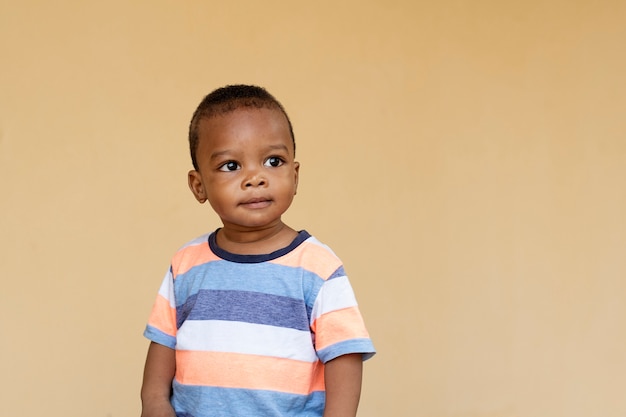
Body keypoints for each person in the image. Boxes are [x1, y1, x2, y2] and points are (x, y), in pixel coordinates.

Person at [140, 84, 376, 417]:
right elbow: (164, 342)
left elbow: (344, 355)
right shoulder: (186, 264)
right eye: (231, 166)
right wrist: (154, 403)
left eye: (273, 161)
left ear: (294, 176)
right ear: (199, 185)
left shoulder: (317, 267)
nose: (255, 178)